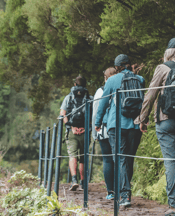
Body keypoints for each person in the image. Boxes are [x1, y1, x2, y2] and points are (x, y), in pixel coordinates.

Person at [138, 38, 175, 216]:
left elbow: (151, 94)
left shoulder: (163, 68)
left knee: (171, 160)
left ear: (168, 51)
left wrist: (142, 118)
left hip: (166, 120)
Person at [94, 54, 145, 207]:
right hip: (135, 125)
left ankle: (124, 195)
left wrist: (98, 122)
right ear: (130, 65)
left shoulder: (112, 80)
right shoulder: (140, 80)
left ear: (116, 67)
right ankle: (126, 191)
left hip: (116, 125)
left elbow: (103, 103)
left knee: (120, 159)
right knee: (128, 159)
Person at [60, 75, 93, 191]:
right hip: (85, 131)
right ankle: (83, 182)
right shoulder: (90, 97)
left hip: (72, 132)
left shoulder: (68, 97)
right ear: (85, 85)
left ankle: (74, 180)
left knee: (72, 155)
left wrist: (71, 127)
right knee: (83, 157)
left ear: (75, 84)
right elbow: (93, 115)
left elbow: (63, 114)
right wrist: (86, 127)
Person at [92, 67, 117, 200]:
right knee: (118, 158)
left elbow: (96, 112)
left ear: (105, 77)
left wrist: (94, 132)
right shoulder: (121, 86)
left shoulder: (100, 91)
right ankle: (121, 190)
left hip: (103, 129)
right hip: (118, 127)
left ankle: (110, 192)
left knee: (107, 160)